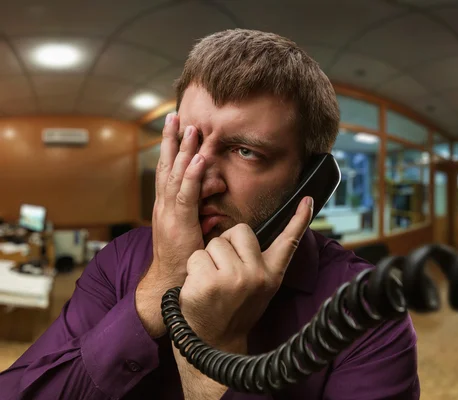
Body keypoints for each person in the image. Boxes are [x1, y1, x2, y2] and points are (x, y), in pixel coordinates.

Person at [0, 29, 419, 399]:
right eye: (188, 140)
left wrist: (213, 350)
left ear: (309, 180)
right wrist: (155, 291)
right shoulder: (122, 259)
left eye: (245, 152)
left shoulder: (368, 310)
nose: (198, 179)